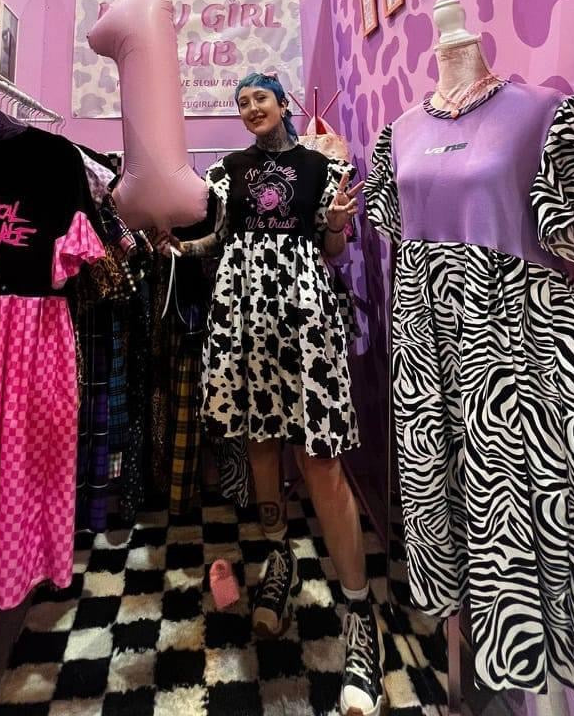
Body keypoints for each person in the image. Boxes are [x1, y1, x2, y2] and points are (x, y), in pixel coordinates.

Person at [157, 73, 385, 716]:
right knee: (260, 445)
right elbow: (220, 239)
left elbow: (333, 248)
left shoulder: (319, 165)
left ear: (283, 104)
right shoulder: (228, 171)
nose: (250, 108)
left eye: (260, 97)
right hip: (243, 317)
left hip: (304, 320)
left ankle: (358, 613)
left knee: (320, 459)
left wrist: (336, 225)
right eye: (241, 102)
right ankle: (277, 560)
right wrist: (179, 248)